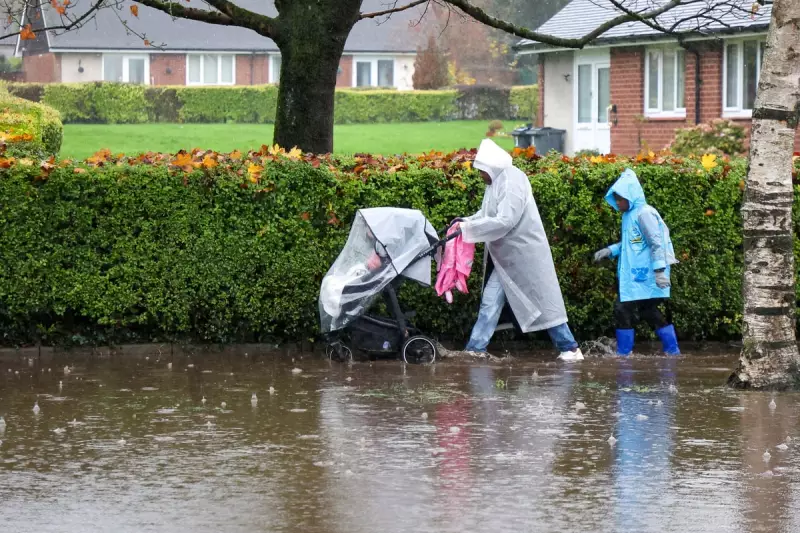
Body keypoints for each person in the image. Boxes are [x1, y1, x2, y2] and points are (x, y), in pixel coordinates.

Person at [455, 139, 583, 362]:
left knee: (543, 301)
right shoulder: (495, 183)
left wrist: (468, 228)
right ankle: (475, 348)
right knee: (490, 302)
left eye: (482, 171)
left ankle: (570, 348)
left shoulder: (513, 180)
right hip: (504, 258)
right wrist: (465, 222)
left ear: (491, 167)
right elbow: (486, 214)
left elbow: (505, 220)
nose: (480, 176)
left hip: (524, 256)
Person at [593, 168, 680, 356]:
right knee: (647, 311)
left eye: (620, 198)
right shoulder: (629, 215)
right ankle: (672, 352)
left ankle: (624, 355)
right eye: (615, 198)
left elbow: (656, 242)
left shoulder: (644, 213)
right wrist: (612, 250)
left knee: (623, 308)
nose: (617, 202)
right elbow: (632, 243)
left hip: (648, 275)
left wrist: (659, 271)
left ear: (630, 196)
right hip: (639, 276)